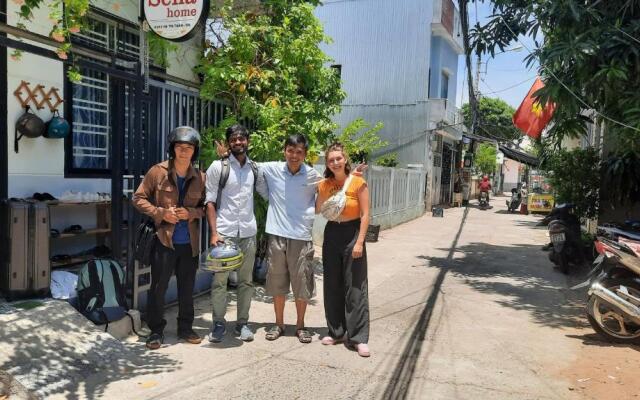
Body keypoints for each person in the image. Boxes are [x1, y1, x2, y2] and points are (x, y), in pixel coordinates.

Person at [133, 126, 206, 350]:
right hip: (164, 240)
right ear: (173, 149)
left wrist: (191, 213)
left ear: (195, 151)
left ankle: (185, 328)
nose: (184, 151)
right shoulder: (158, 172)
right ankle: (156, 331)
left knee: (187, 287)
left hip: (189, 243)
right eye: (179, 147)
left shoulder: (200, 177)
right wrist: (161, 213)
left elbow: (206, 208)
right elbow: (138, 198)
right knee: (158, 287)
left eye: (189, 147)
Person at [255, 134, 323, 344]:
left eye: (299, 151)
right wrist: (270, 197)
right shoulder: (272, 168)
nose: (294, 155)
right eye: (290, 150)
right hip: (276, 234)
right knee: (277, 281)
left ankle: (301, 326)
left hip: (301, 236)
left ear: (305, 154)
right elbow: (252, 168)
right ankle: (279, 324)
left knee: (301, 281)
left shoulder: (313, 175)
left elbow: (330, 189)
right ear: (284, 151)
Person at [205, 124, 262, 343]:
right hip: (225, 234)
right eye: (234, 139)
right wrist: (213, 232)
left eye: (242, 139)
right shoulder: (217, 167)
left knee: (246, 281)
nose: (238, 142)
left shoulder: (255, 169)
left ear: (248, 141)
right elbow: (209, 201)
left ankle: (242, 324)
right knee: (220, 281)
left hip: (248, 232)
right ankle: (218, 324)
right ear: (228, 143)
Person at [316, 143, 371, 357]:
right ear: (327, 164)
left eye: (338, 158)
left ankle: (358, 337)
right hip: (332, 233)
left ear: (345, 159)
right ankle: (337, 331)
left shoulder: (358, 182)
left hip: (353, 233)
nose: (335, 162)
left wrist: (359, 242)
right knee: (332, 284)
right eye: (331, 160)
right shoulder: (324, 184)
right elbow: (319, 209)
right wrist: (321, 191)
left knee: (355, 286)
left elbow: (366, 214)